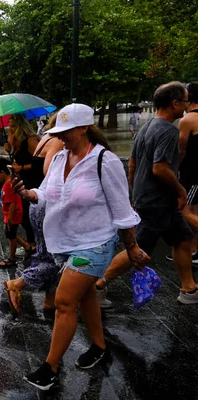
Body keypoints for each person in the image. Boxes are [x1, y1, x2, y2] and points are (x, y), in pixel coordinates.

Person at [13, 104, 149, 391]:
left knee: (64, 301)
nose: (60, 137)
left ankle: (49, 369)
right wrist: (27, 193)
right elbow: (47, 193)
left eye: (66, 131)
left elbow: (123, 211)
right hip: (66, 243)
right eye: (57, 132)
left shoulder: (105, 161)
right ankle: (99, 347)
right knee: (86, 297)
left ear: (84, 128)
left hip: (96, 245)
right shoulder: (61, 157)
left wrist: (132, 248)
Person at [96, 82, 198, 305]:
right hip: (157, 201)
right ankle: (98, 284)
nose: (187, 105)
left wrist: (133, 193)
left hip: (153, 198)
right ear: (174, 103)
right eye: (185, 101)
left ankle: (189, 289)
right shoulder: (168, 130)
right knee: (137, 249)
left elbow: (132, 164)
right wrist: (181, 191)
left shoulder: (146, 128)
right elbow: (159, 168)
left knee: (183, 238)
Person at [3, 113, 64, 315]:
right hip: (42, 199)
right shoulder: (55, 142)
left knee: (48, 254)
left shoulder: (37, 140)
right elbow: (47, 170)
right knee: (55, 258)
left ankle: (50, 299)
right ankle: (18, 284)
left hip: (35, 197)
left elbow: (33, 166)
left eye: (12, 126)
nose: (9, 129)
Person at [3, 114, 39, 255]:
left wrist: (21, 167)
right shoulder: (17, 142)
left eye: (12, 126)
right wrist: (9, 150)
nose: (9, 129)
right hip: (21, 182)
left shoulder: (31, 141)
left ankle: (33, 244)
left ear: (20, 126)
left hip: (33, 182)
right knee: (24, 215)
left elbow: (39, 164)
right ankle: (31, 243)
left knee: (29, 214)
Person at [0, 158, 28, 268]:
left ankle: (12, 258)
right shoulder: (9, 182)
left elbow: (12, 202)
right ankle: (27, 246)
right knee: (10, 233)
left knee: (11, 236)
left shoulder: (8, 185)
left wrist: (10, 218)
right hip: (10, 214)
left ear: (2, 172)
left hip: (12, 214)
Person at [178, 82, 198, 257]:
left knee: (184, 211)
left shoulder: (188, 120)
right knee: (192, 212)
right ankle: (193, 251)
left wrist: (175, 167)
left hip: (193, 173)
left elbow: (181, 148)